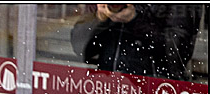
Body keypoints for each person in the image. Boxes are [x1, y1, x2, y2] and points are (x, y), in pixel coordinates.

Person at [70, 4, 202, 81]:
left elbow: (178, 52)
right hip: (107, 89)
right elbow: (79, 47)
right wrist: (99, 19)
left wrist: (134, 20)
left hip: (155, 91)